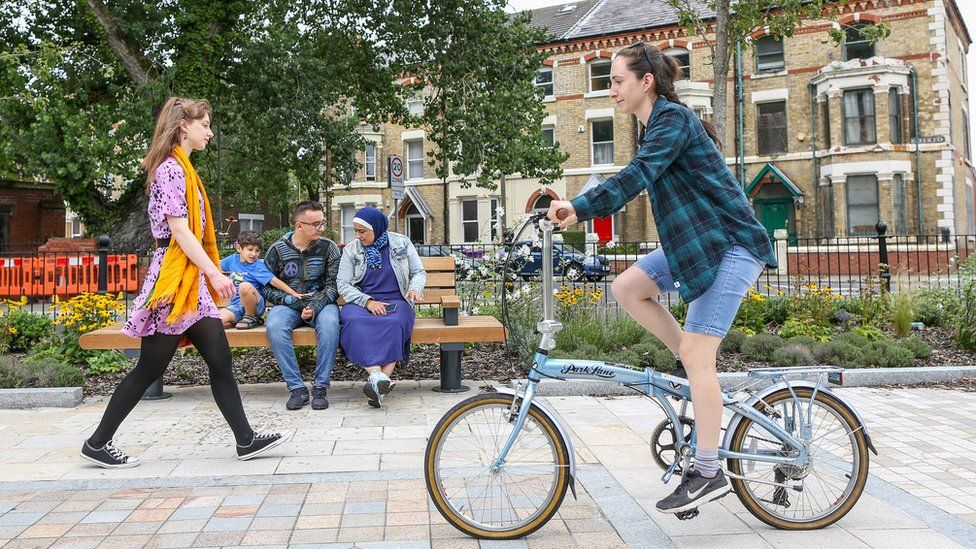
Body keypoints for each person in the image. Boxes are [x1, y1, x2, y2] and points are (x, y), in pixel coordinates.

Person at [547, 43, 777, 514]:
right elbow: (640, 174)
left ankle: (709, 470)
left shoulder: (671, 119)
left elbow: (638, 174)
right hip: (695, 244)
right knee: (627, 287)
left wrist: (578, 207)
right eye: (609, 81)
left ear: (645, 81)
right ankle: (689, 367)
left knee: (699, 353)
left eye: (616, 80)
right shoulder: (652, 124)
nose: (610, 89)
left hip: (731, 242)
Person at [81, 97, 286, 469]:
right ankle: (97, 442)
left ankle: (245, 440)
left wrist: (205, 274)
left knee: (220, 359)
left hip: (188, 282)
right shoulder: (171, 169)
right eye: (204, 124)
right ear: (183, 126)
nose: (209, 131)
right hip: (176, 282)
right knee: (149, 368)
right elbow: (179, 231)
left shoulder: (183, 169)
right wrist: (214, 272)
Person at [337, 207, 425, 408]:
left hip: (397, 300)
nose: (358, 236)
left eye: (362, 231)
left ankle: (378, 382)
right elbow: (343, 284)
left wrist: (414, 289)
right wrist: (368, 302)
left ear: (376, 228)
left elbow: (419, 272)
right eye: (356, 231)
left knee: (394, 323)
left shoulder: (401, 242)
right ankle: (380, 378)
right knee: (352, 321)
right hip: (361, 301)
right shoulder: (351, 250)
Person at [262, 201, 342, 411]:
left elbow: (334, 285)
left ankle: (320, 387)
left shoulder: (329, 248)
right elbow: (265, 286)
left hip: (322, 305)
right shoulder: (277, 250)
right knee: (275, 325)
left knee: (330, 323)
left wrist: (315, 306)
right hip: (288, 306)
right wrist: (292, 301)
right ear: (299, 225)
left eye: (322, 223)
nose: (321, 228)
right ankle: (296, 388)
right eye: (316, 224)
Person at [218, 230, 310, 330]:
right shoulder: (232, 260)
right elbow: (215, 266)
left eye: (257, 251)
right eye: (250, 249)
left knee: (244, 286)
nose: (254, 254)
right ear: (239, 248)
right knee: (215, 321)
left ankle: (251, 317)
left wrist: (293, 293)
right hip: (236, 306)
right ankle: (241, 322)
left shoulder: (258, 266)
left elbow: (274, 281)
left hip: (255, 305)